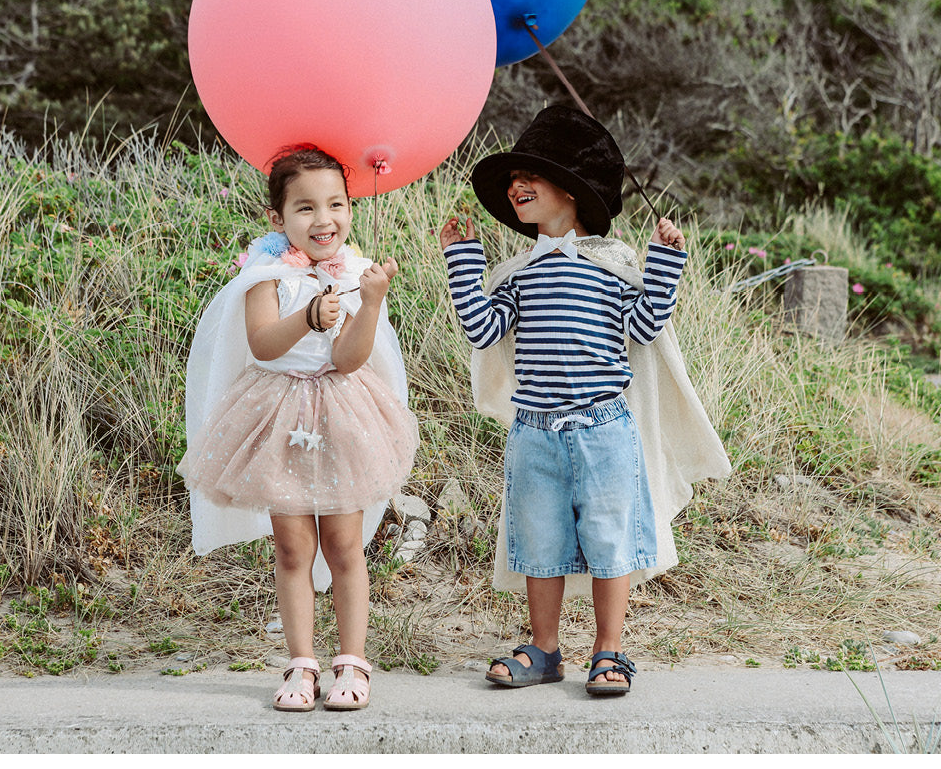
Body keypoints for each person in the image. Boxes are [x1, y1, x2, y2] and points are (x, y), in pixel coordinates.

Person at [440, 104, 729, 696]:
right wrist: (463, 259)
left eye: (532, 175)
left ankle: (609, 650)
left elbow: (644, 327)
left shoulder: (610, 268)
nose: (517, 185)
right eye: (513, 178)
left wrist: (664, 260)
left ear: (570, 190)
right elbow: (482, 329)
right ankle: (545, 649)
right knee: (539, 541)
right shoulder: (519, 275)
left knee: (609, 539)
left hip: (604, 429)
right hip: (534, 431)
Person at [178, 144, 419, 712]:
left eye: (336, 204)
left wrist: (371, 303)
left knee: (344, 544)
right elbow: (263, 344)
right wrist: (307, 315)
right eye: (305, 207)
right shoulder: (265, 275)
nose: (323, 219)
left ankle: (352, 661)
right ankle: (301, 663)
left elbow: (349, 358)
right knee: (292, 547)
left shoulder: (356, 274)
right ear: (277, 217)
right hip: (278, 412)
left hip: (341, 413)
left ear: (350, 209)